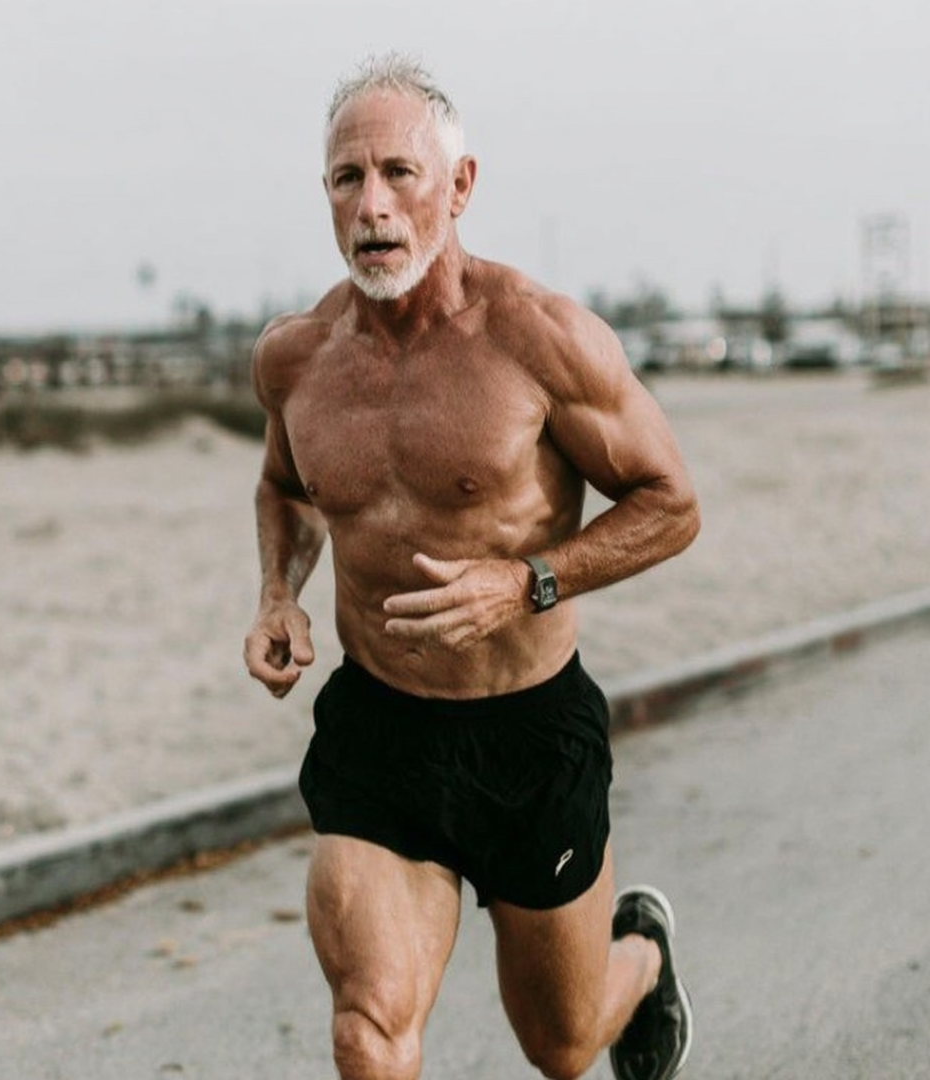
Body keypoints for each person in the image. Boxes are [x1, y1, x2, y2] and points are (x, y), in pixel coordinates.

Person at [243, 53, 700, 1080]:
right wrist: (280, 592)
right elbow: (287, 487)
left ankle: (644, 958)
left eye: (399, 173)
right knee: (370, 1029)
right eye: (345, 179)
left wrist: (526, 581)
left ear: (459, 187)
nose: (372, 207)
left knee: (566, 1044)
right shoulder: (296, 357)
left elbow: (672, 504)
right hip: (382, 728)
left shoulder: (542, 339)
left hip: (529, 730)